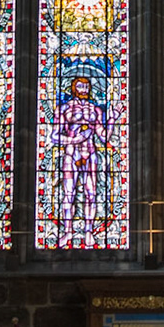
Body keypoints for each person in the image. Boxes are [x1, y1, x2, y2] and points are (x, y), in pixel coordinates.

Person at [53, 75, 108, 236]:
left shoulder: (95, 110)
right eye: (80, 86)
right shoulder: (65, 109)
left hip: (90, 153)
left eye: (86, 86)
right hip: (71, 153)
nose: (84, 90)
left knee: (91, 194)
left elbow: (103, 136)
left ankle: (89, 231)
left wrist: (112, 120)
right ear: (73, 88)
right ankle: (68, 231)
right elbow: (54, 136)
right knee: (68, 194)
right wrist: (73, 139)